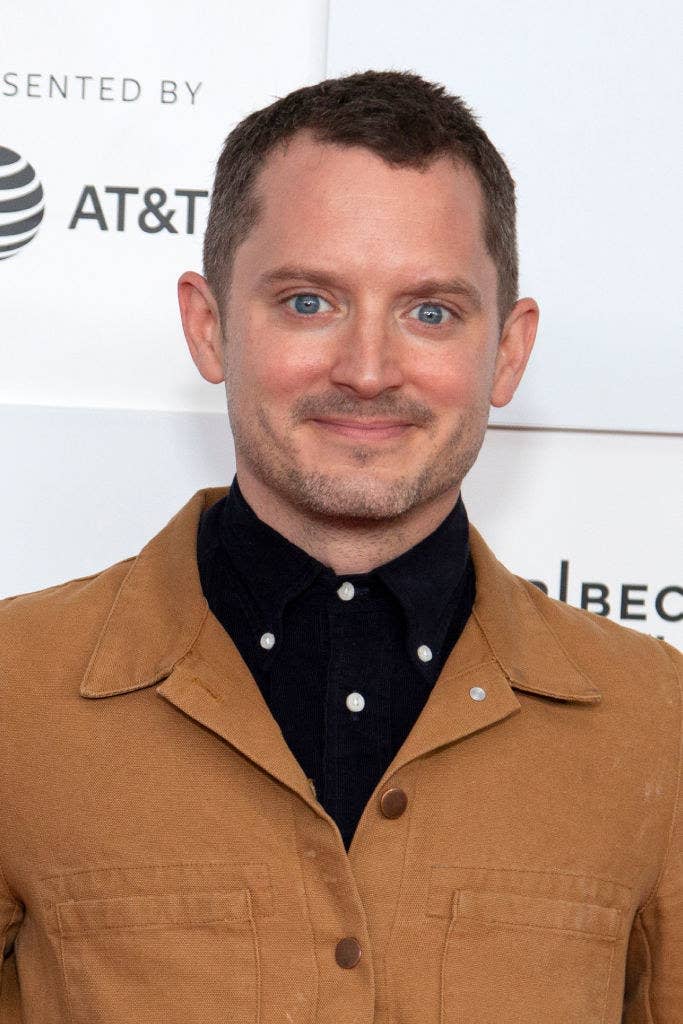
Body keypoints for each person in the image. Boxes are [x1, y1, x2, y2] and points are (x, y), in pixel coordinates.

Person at [0, 70, 680, 1024]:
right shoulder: (12, 693)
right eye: (309, 302)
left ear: (510, 352)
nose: (367, 371)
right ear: (208, 326)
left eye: (430, 311)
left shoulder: (658, 723)